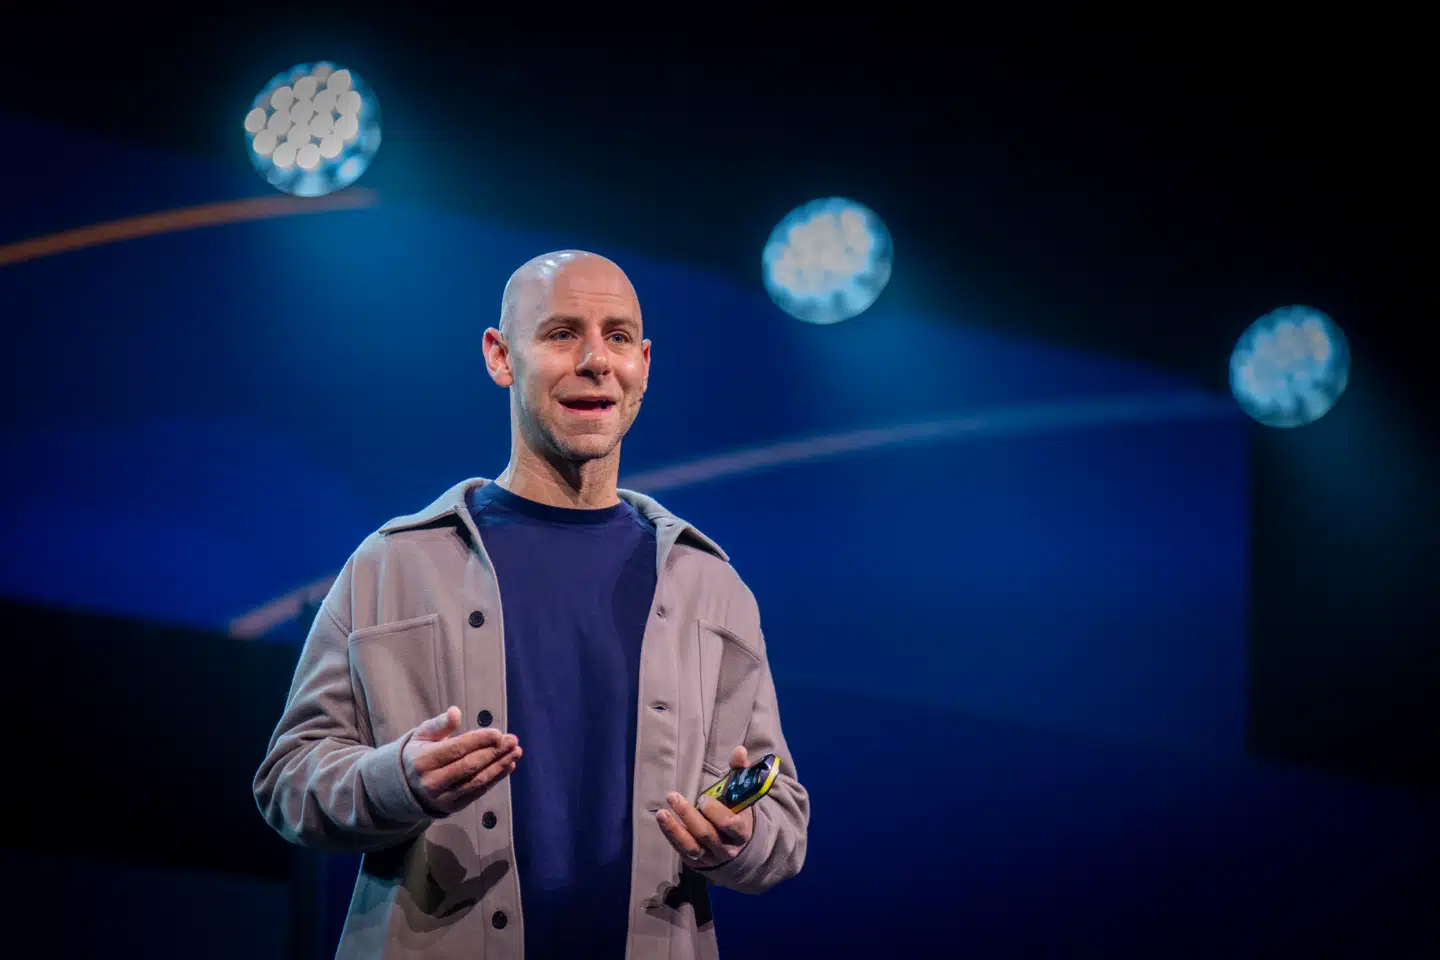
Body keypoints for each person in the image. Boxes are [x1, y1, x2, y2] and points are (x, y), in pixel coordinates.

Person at [253, 250, 809, 959]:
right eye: (561, 334)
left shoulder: (711, 586)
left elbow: (781, 814)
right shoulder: (393, 565)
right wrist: (398, 780)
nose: (595, 361)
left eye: (616, 338)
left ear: (643, 365)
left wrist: (740, 835)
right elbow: (290, 779)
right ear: (500, 356)